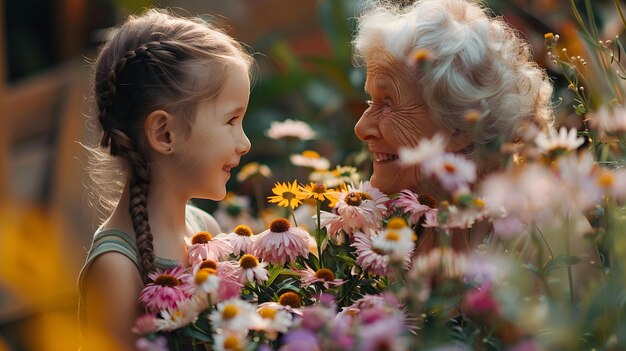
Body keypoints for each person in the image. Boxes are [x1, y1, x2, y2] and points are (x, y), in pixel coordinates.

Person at [351, 0, 598, 296]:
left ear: (460, 125)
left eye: (388, 103)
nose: (361, 127)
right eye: (370, 101)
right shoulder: (396, 222)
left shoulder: (546, 236)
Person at [77, 9, 253, 350]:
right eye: (231, 121)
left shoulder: (205, 229)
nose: (245, 143)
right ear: (165, 133)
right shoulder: (115, 267)